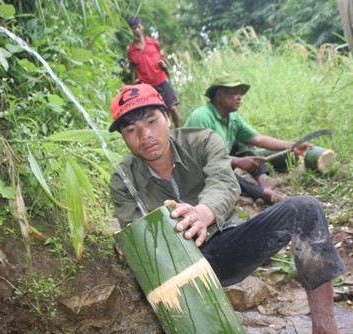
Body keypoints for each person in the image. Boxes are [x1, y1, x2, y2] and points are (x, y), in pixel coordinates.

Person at [108, 83, 346, 334]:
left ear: (167, 117)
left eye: (151, 121)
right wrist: (132, 247)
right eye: (132, 129)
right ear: (123, 137)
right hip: (173, 271)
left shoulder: (202, 140)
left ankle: (325, 327)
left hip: (224, 247)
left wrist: (203, 212)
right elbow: (134, 231)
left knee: (304, 208)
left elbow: (224, 182)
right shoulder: (122, 178)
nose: (144, 135)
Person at [184, 73, 311, 204]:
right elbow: (201, 157)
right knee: (221, 173)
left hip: (218, 160)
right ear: (219, 94)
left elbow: (259, 139)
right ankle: (263, 194)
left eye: (240, 94)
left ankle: (263, 179)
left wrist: (293, 146)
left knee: (244, 146)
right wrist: (238, 162)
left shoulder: (232, 118)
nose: (239, 98)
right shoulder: (201, 116)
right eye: (234, 94)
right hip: (196, 170)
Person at [126, 16, 181, 128]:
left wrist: (163, 63)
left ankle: (179, 130)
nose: (137, 30)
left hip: (161, 79)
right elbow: (132, 69)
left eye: (138, 26)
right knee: (159, 113)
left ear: (142, 27)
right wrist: (135, 80)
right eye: (133, 28)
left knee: (173, 108)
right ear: (131, 31)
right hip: (147, 86)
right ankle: (167, 133)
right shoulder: (131, 50)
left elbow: (161, 56)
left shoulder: (153, 43)